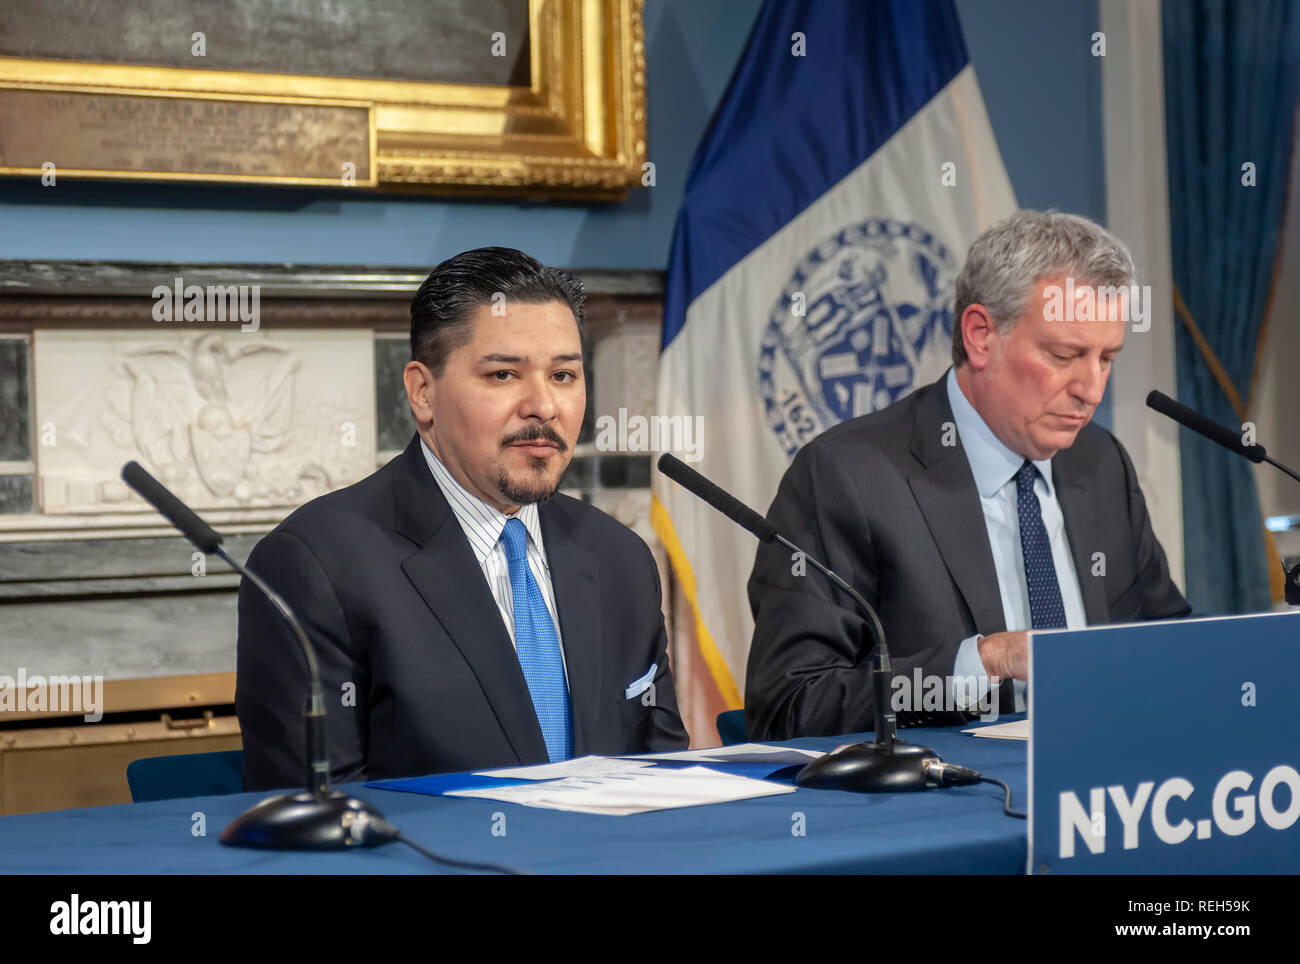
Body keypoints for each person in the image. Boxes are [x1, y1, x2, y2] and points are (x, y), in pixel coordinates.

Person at [236, 247, 688, 790]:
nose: (544, 406)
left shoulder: (620, 558)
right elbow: (321, 818)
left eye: (564, 375)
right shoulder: (315, 564)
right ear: (422, 393)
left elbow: (663, 777)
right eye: (503, 374)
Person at [745, 210, 1190, 741]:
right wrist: (982, 664)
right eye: (1065, 354)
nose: (1091, 389)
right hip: (944, 809)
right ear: (981, 336)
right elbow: (790, 704)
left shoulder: (1099, 463)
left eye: (1107, 358)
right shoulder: (847, 477)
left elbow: (1171, 645)